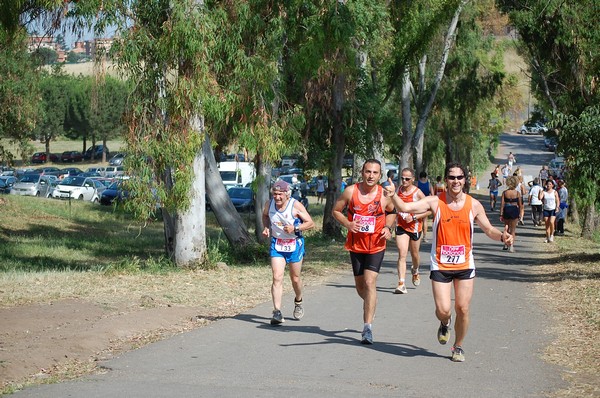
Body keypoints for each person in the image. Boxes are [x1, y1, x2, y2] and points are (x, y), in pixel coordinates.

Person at [382, 162, 512, 362]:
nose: (456, 181)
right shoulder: (435, 201)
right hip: (441, 264)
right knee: (444, 310)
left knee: (463, 308)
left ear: (465, 180)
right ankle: (445, 323)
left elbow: (489, 230)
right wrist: (393, 195)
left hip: (465, 264)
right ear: (446, 180)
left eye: (460, 177)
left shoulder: (473, 205)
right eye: (452, 177)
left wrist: (502, 237)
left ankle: (458, 346)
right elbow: (406, 207)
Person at [332, 159, 396, 344]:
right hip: (356, 245)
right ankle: (371, 302)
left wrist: (388, 228)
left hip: (376, 244)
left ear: (380, 175)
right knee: (361, 288)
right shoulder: (351, 191)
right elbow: (336, 211)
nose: (371, 176)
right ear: (362, 172)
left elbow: (392, 212)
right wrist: (348, 223)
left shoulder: (384, 194)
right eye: (368, 172)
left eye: (375, 173)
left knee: (369, 282)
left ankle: (367, 327)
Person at [262, 180, 315, 325]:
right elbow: (265, 216)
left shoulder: (295, 205)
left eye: (280, 194)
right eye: (275, 194)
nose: (277, 197)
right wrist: (266, 227)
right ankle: (277, 312)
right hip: (277, 243)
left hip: (294, 244)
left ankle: (298, 301)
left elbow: (311, 223)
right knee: (277, 277)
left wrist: (295, 229)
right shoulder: (269, 204)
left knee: (295, 278)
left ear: (287, 194)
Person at [393, 168, 431, 293]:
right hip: (401, 226)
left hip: (414, 226)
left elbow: (429, 209)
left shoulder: (417, 193)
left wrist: (414, 216)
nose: (404, 181)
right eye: (402, 178)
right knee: (402, 253)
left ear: (413, 179)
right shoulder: (398, 190)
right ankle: (401, 283)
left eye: (407, 179)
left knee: (414, 254)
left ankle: (415, 270)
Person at [500, 176, 523, 253]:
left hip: (506, 209)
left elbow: (502, 204)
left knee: (506, 228)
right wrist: (520, 214)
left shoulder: (505, 193)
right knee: (513, 229)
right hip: (514, 210)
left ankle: (505, 243)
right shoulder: (517, 193)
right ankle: (511, 246)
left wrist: (501, 214)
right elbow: (520, 205)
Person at [416, 171, 434, 242]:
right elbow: (432, 195)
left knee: (418, 219)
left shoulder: (417, 183)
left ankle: (418, 235)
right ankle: (425, 236)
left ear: (419, 176)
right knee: (425, 220)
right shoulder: (429, 184)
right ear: (426, 177)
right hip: (426, 203)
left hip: (418, 203)